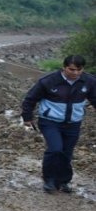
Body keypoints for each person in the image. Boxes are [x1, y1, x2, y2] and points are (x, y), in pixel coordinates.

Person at [21, 55, 96, 193]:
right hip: (50, 122)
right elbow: (30, 99)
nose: (75, 73)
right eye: (71, 69)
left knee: (66, 153)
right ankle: (49, 180)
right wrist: (27, 117)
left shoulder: (89, 81)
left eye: (79, 70)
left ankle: (63, 181)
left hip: (73, 123)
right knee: (55, 149)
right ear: (64, 67)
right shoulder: (49, 81)